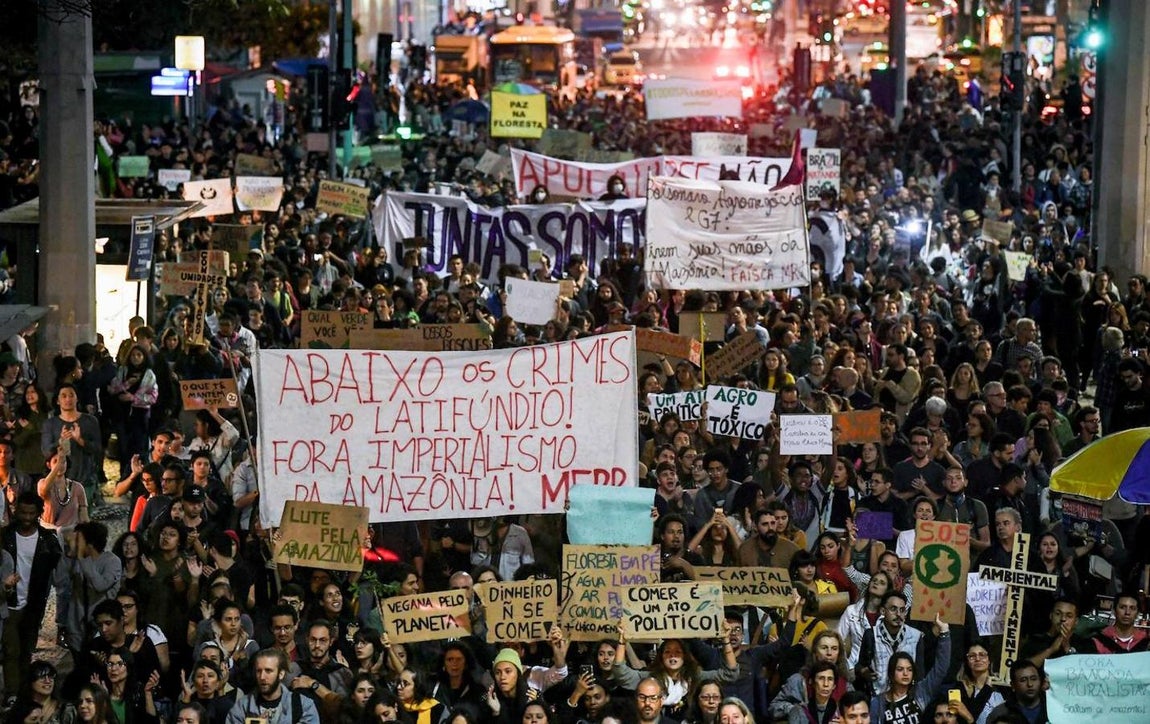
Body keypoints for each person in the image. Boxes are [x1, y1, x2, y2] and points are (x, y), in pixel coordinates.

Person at [1, 491, 62, 696]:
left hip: (34, 603)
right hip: (8, 602)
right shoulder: (5, 536)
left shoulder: (48, 540)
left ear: (38, 513)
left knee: (26, 650)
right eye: (23, 513)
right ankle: (12, 693)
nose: (27, 518)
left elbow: (59, 571)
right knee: (11, 650)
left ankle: (24, 692)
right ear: (16, 511)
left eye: (31, 513)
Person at [867, 614, 952, 724]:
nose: (906, 673)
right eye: (900, 669)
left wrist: (944, 631)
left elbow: (941, 668)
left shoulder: (921, 691)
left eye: (909, 669)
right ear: (891, 673)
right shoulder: (877, 703)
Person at [40, 383, 102, 506]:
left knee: (84, 519)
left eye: (71, 395)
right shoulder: (50, 424)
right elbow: (46, 451)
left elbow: (98, 449)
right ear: (57, 401)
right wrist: (60, 441)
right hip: (59, 480)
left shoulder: (90, 421)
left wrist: (80, 440)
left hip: (85, 478)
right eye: (63, 396)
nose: (68, 399)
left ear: (77, 398)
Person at [225, 648, 320, 724]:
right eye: (258, 671)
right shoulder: (242, 707)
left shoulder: (303, 705)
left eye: (268, 671)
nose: (262, 677)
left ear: (281, 674)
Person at [984, 659, 1047, 724]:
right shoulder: (1000, 712)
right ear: (1013, 685)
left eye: (1033, 679)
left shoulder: (1052, 708)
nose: (1030, 684)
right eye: (1023, 680)